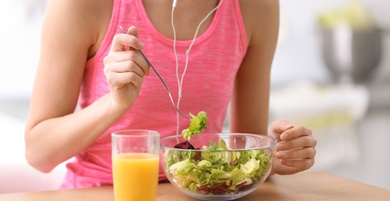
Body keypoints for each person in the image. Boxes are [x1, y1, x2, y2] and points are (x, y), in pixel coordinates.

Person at [25, 0, 317, 189]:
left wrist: (271, 158)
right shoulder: (82, 5)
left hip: (202, 200)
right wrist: (114, 104)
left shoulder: (256, 8)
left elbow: (243, 152)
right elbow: (39, 152)